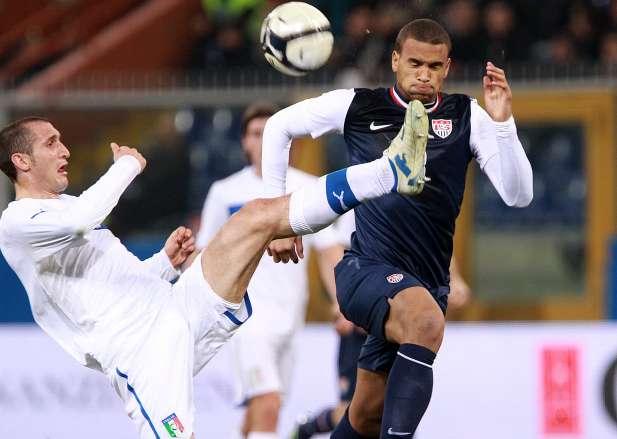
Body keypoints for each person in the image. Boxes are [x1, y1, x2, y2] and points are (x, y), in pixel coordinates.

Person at [0, 101, 428, 439]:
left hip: (171, 304)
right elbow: (85, 220)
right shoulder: (17, 221)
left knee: (256, 216)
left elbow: (109, 284)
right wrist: (126, 164)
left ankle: (390, 170)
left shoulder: (70, 209)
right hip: (140, 351)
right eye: (51, 142)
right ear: (21, 161)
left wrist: (164, 265)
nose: (65, 149)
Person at [261, 18, 533, 439]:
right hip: (364, 272)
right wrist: (277, 221)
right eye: (414, 63)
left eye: (434, 66)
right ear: (394, 60)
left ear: (447, 68)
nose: (424, 74)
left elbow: (519, 196)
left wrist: (502, 124)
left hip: (426, 285)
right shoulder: (358, 104)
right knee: (425, 321)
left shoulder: (467, 116)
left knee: (366, 415)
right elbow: (278, 127)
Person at [195, 103, 344, 439]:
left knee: (260, 409)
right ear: (245, 142)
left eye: (270, 133)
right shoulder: (225, 192)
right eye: (255, 133)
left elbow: (328, 251)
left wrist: (341, 301)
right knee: (269, 403)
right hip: (245, 316)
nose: (262, 141)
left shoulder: (308, 188)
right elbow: (205, 255)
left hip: (291, 316)